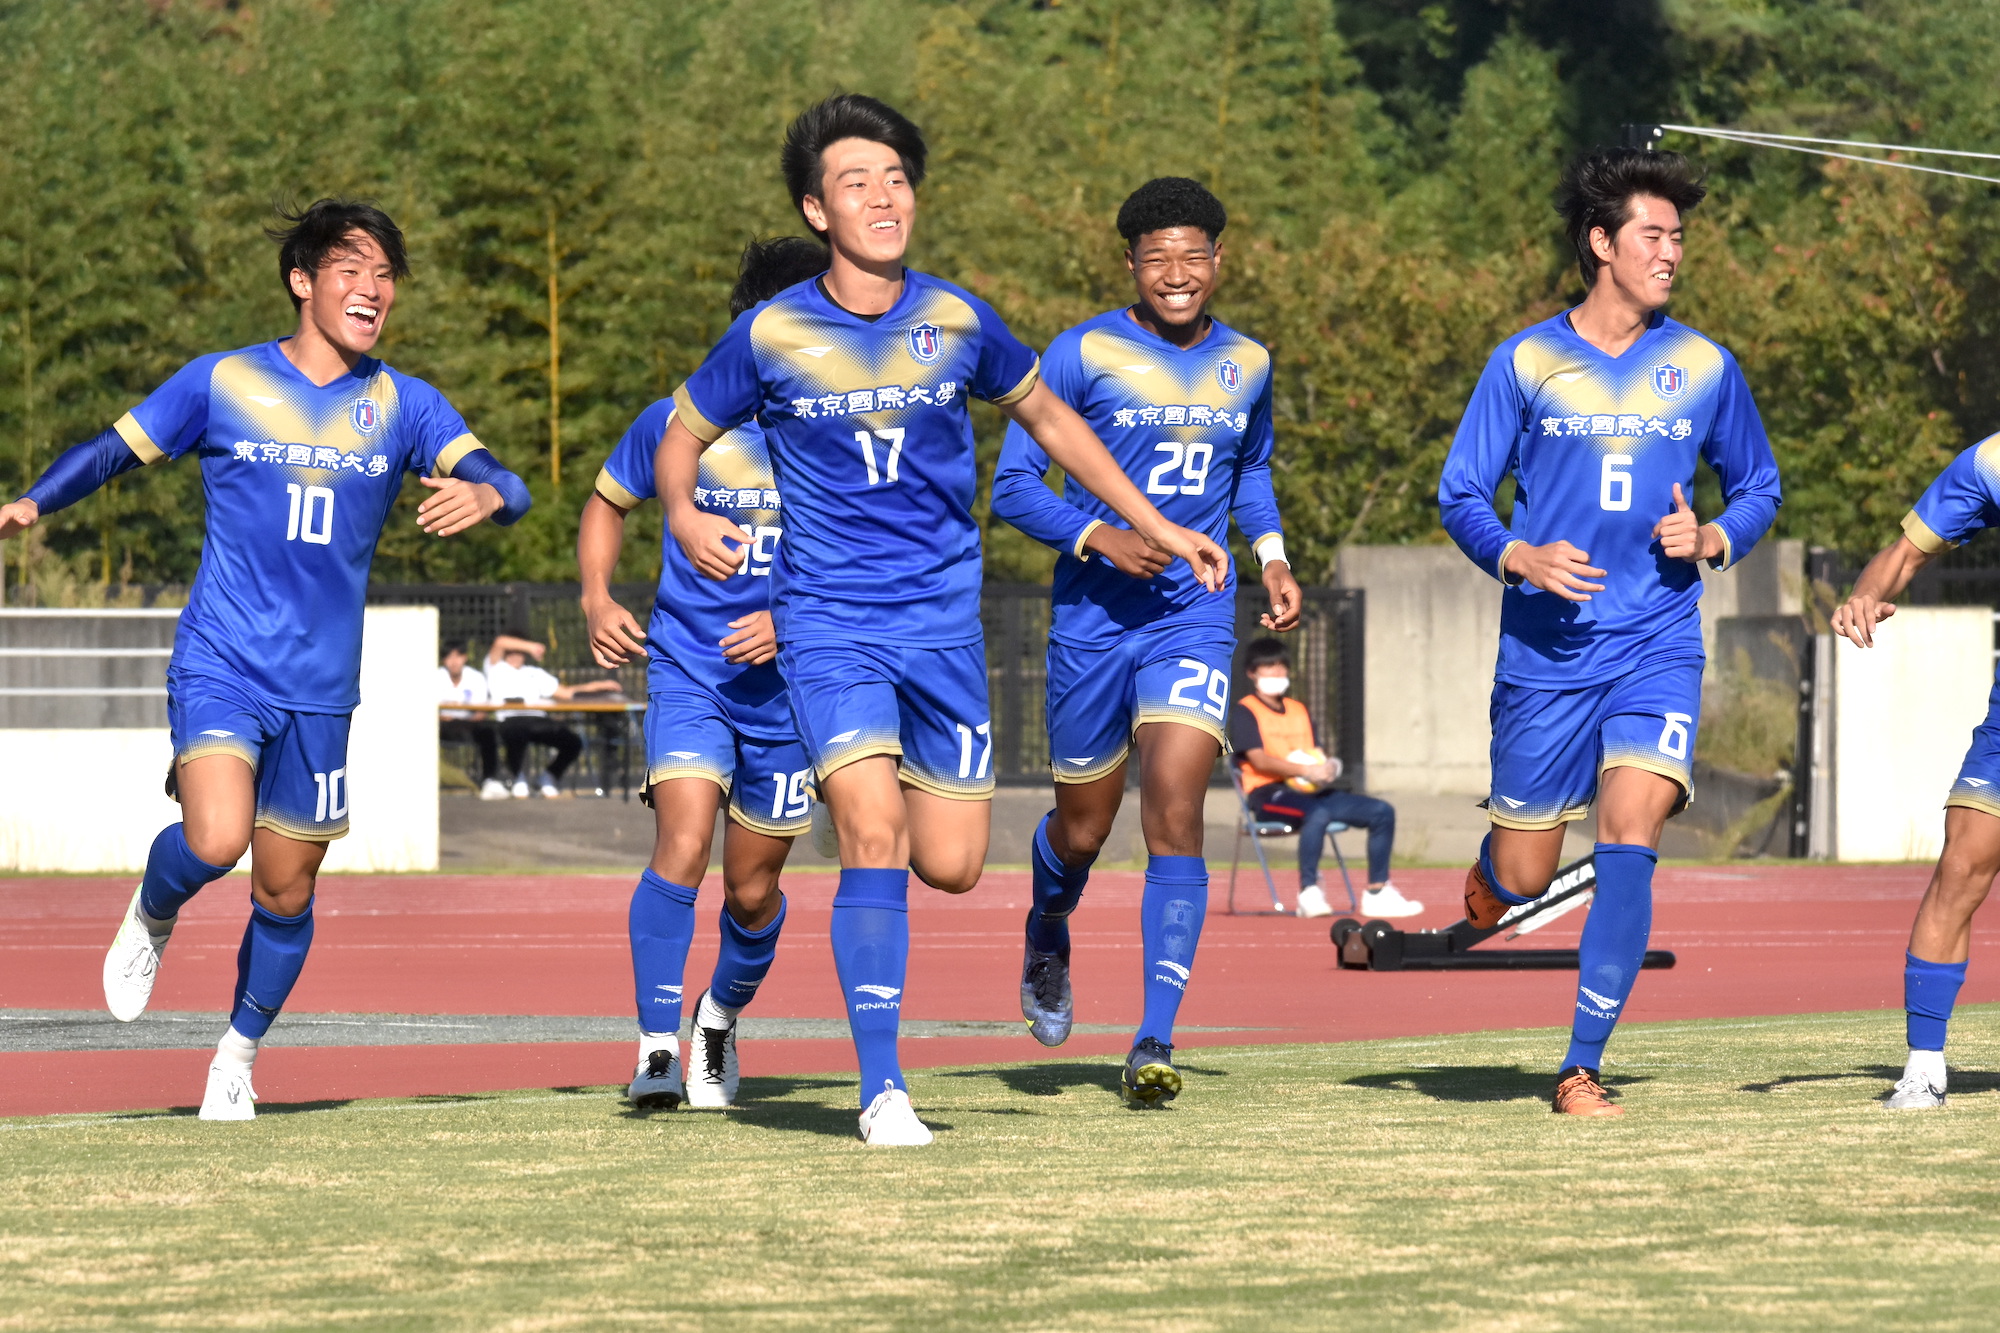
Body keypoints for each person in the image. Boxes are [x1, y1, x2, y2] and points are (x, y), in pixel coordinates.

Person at [658, 95, 1226, 1145]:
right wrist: (684, 511)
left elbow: (1054, 423)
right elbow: (677, 437)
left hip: (941, 633)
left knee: (954, 861)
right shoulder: (771, 331)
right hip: (826, 626)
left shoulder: (958, 319)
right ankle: (881, 1090)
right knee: (869, 835)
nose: (880, 197)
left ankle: (745, 1006)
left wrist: (1153, 521)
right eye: (853, 183)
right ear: (814, 209)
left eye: (895, 178)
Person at [0, 198, 531, 1120]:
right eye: (352, 270)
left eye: (386, 275)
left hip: (323, 688)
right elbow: (111, 453)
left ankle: (236, 1055)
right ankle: (154, 912)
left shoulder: (402, 403)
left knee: (285, 891)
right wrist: (33, 504)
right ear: (303, 280)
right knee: (215, 838)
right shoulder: (222, 382)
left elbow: (507, 481)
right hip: (222, 656)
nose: (372, 289)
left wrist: (489, 500)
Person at [1438, 148, 1780, 1116]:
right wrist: (1516, 554)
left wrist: (1711, 534)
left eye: (1678, 236)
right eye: (1651, 234)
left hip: (1656, 642)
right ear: (1600, 242)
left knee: (1629, 834)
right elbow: (1460, 491)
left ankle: (1579, 1063)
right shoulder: (1525, 361)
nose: (1670, 251)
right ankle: (1488, 879)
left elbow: (1758, 487)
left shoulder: (1706, 366)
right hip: (1543, 657)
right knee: (1522, 870)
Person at [989, 176, 1300, 1104]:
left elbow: (1250, 470)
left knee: (1174, 802)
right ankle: (1049, 925)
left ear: (1219, 262)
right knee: (1083, 828)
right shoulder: (1080, 353)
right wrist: (1096, 535)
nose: (1176, 273)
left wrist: (1273, 554)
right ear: (1129, 263)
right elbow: (1013, 487)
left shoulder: (1250, 360)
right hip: (1092, 620)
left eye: (1192, 256)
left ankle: (1153, 1040)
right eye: (1156, 256)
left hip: (1192, 615)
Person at [580, 234, 832, 1111]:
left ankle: (715, 1022)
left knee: (754, 891)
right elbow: (607, 501)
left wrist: (791, 620)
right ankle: (655, 1047)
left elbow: (881, 567)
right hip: (688, 670)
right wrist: (596, 596)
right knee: (682, 842)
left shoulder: (843, 441)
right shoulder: (679, 423)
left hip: (796, 694)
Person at [1831, 434, 2000, 1109]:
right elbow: (1905, 552)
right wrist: (1866, 593)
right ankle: (1924, 1066)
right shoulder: (1992, 461)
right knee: (1963, 863)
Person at [1230, 637, 1418, 919]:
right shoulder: (1246, 710)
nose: (1277, 675)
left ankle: (1378, 892)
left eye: (1281, 668)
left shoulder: (1299, 709)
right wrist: (1305, 771)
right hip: (1268, 793)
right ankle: (1309, 892)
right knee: (1317, 814)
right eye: (1268, 668)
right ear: (1252, 673)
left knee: (1381, 811)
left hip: (1310, 791)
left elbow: (1315, 753)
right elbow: (1258, 759)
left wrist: (1330, 767)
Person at [484, 630, 620, 797]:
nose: (516, 655)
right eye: (513, 651)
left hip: (536, 720)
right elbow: (500, 642)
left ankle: (548, 776)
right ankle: (518, 778)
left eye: (519, 652)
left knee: (572, 741)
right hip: (510, 719)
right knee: (516, 734)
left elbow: (567, 693)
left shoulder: (534, 673)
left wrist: (599, 685)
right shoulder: (495, 668)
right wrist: (531, 646)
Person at [439, 640, 506, 800]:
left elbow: (482, 711)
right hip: (442, 725)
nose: (454, 662)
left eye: (458, 656)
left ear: (465, 658)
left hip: (470, 724)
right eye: (449, 657)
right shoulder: (435, 677)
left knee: (489, 731)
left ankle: (490, 780)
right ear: (443, 660)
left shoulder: (475, 677)